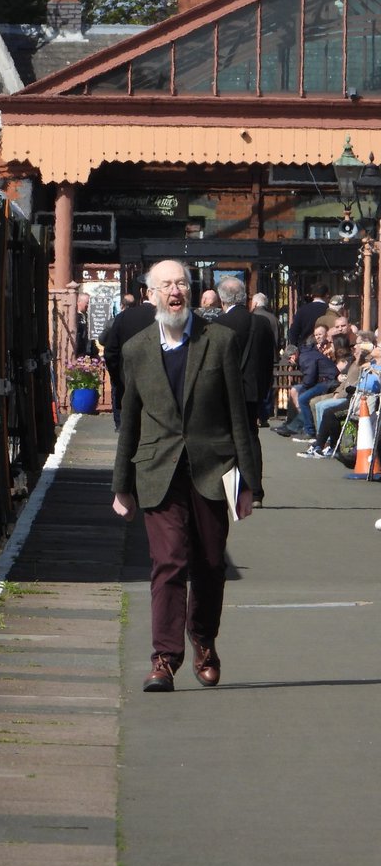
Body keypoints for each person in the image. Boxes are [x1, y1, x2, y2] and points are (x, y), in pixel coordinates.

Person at [112, 259, 259, 693]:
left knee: (210, 564)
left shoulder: (220, 342)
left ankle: (204, 643)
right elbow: (130, 422)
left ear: (191, 292)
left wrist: (250, 482)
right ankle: (163, 658)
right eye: (166, 285)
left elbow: (239, 415)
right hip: (157, 470)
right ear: (151, 294)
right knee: (169, 562)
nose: (175, 291)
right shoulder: (136, 349)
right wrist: (121, 485)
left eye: (181, 283)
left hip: (213, 469)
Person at [213, 276, 274, 507]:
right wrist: (263, 391)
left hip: (223, 392)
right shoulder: (261, 324)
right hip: (251, 391)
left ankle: (228, 490)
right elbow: (269, 360)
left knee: (224, 439)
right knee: (250, 437)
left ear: (222, 300)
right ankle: (255, 491)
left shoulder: (217, 325)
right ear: (245, 298)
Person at [98, 275, 157, 431]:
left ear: (142, 291)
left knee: (130, 428)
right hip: (161, 386)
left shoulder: (124, 317)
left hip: (129, 380)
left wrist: (117, 377)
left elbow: (111, 351)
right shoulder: (170, 319)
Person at [251, 292, 280, 426]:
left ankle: (257, 414)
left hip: (257, 357)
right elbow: (278, 339)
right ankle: (265, 415)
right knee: (268, 386)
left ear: (255, 303)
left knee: (257, 386)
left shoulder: (253, 317)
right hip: (272, 356)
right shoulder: (273, 318)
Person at [289, 282, 330, 347]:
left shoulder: (302, 310)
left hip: (305, 348)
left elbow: (293, 332)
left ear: (312, 295)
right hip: (325, 348)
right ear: (327, 295)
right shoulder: (329, 310)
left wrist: (296, 347)